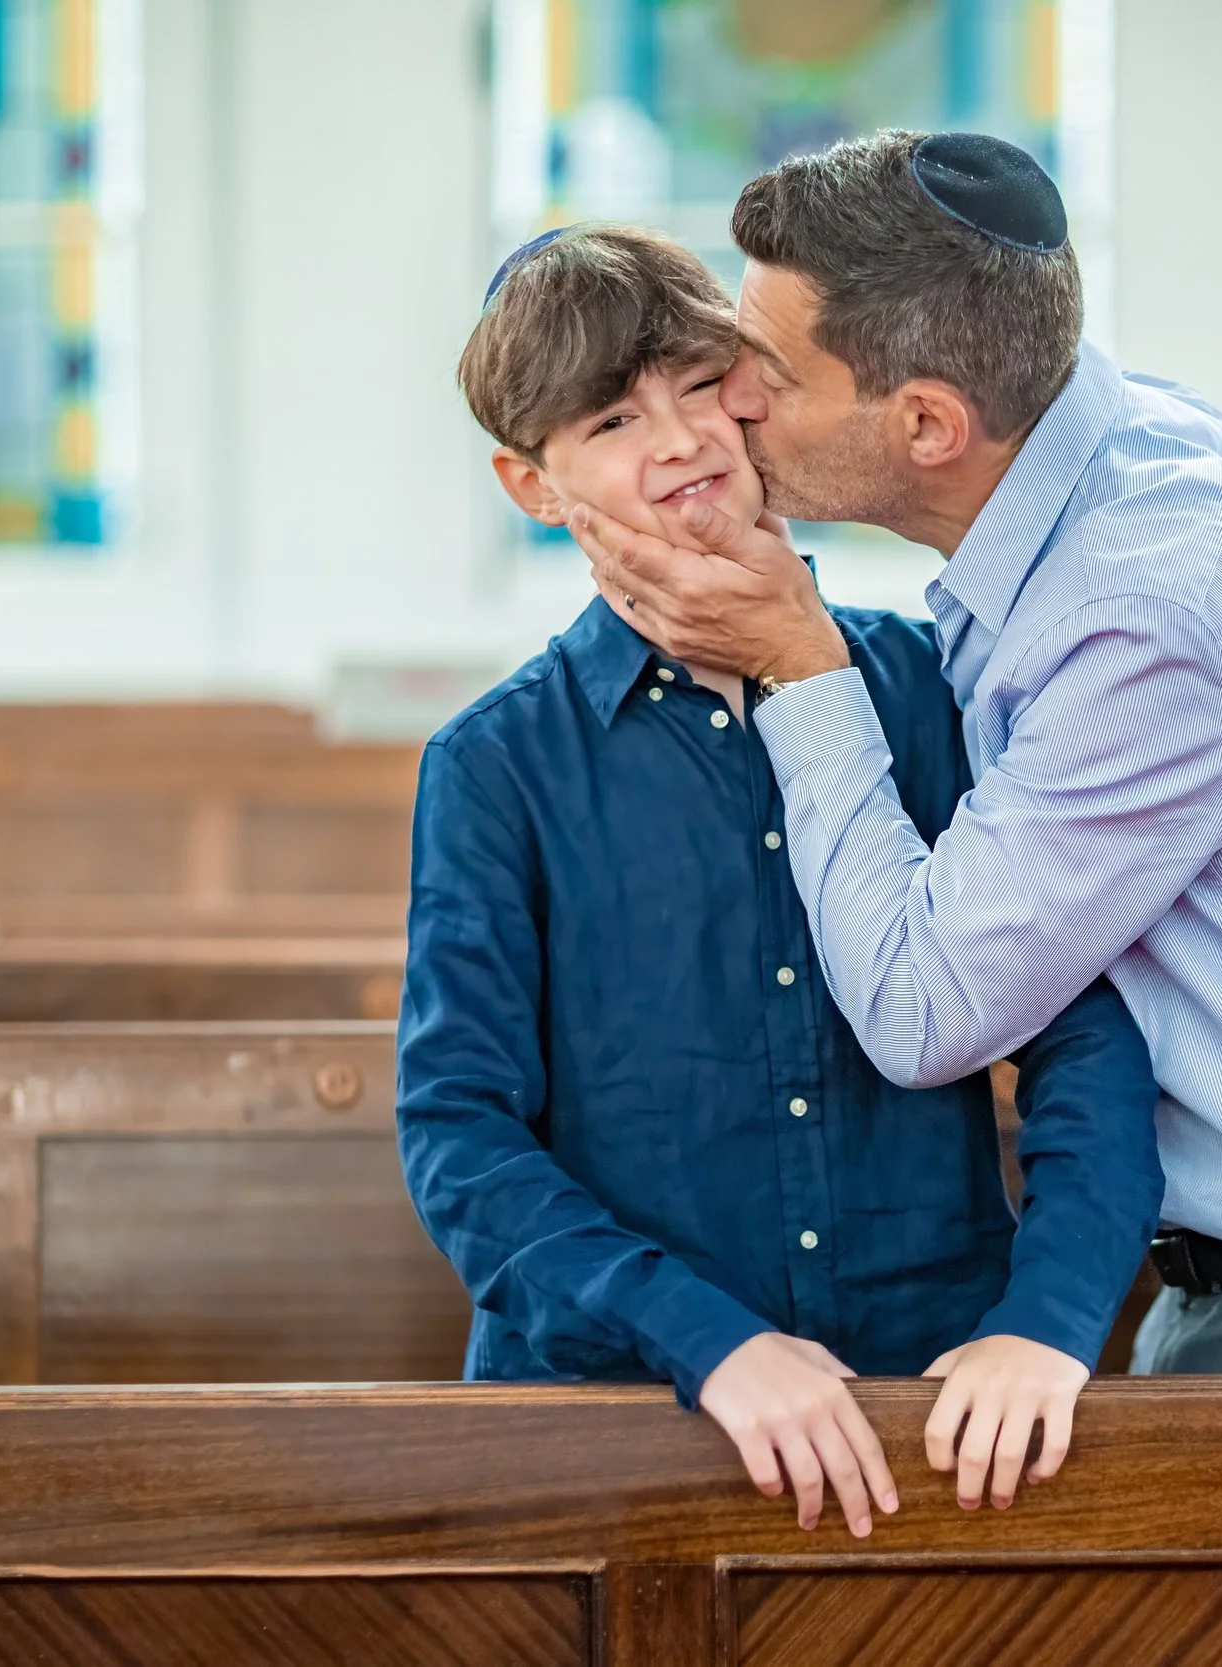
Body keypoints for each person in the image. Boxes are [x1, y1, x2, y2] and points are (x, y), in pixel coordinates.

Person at [568, 131, 1222, 1402]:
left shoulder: (1149, 608)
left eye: (765, 368)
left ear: (929, 420)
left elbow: (924, 1011)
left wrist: (799, 665)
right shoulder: (1107, 454)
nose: (732, 401)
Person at [396, 223, 1164, 1539]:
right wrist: (708, 1338)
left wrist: (1045, 1322)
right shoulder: (495, 763)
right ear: (533, 483)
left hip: (934, 1409)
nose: (684, 438)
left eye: (703, 386)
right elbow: (461, 1133)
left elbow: (1086, 1043)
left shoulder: (928, 687)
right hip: (623, 1424)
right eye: (613, 419)